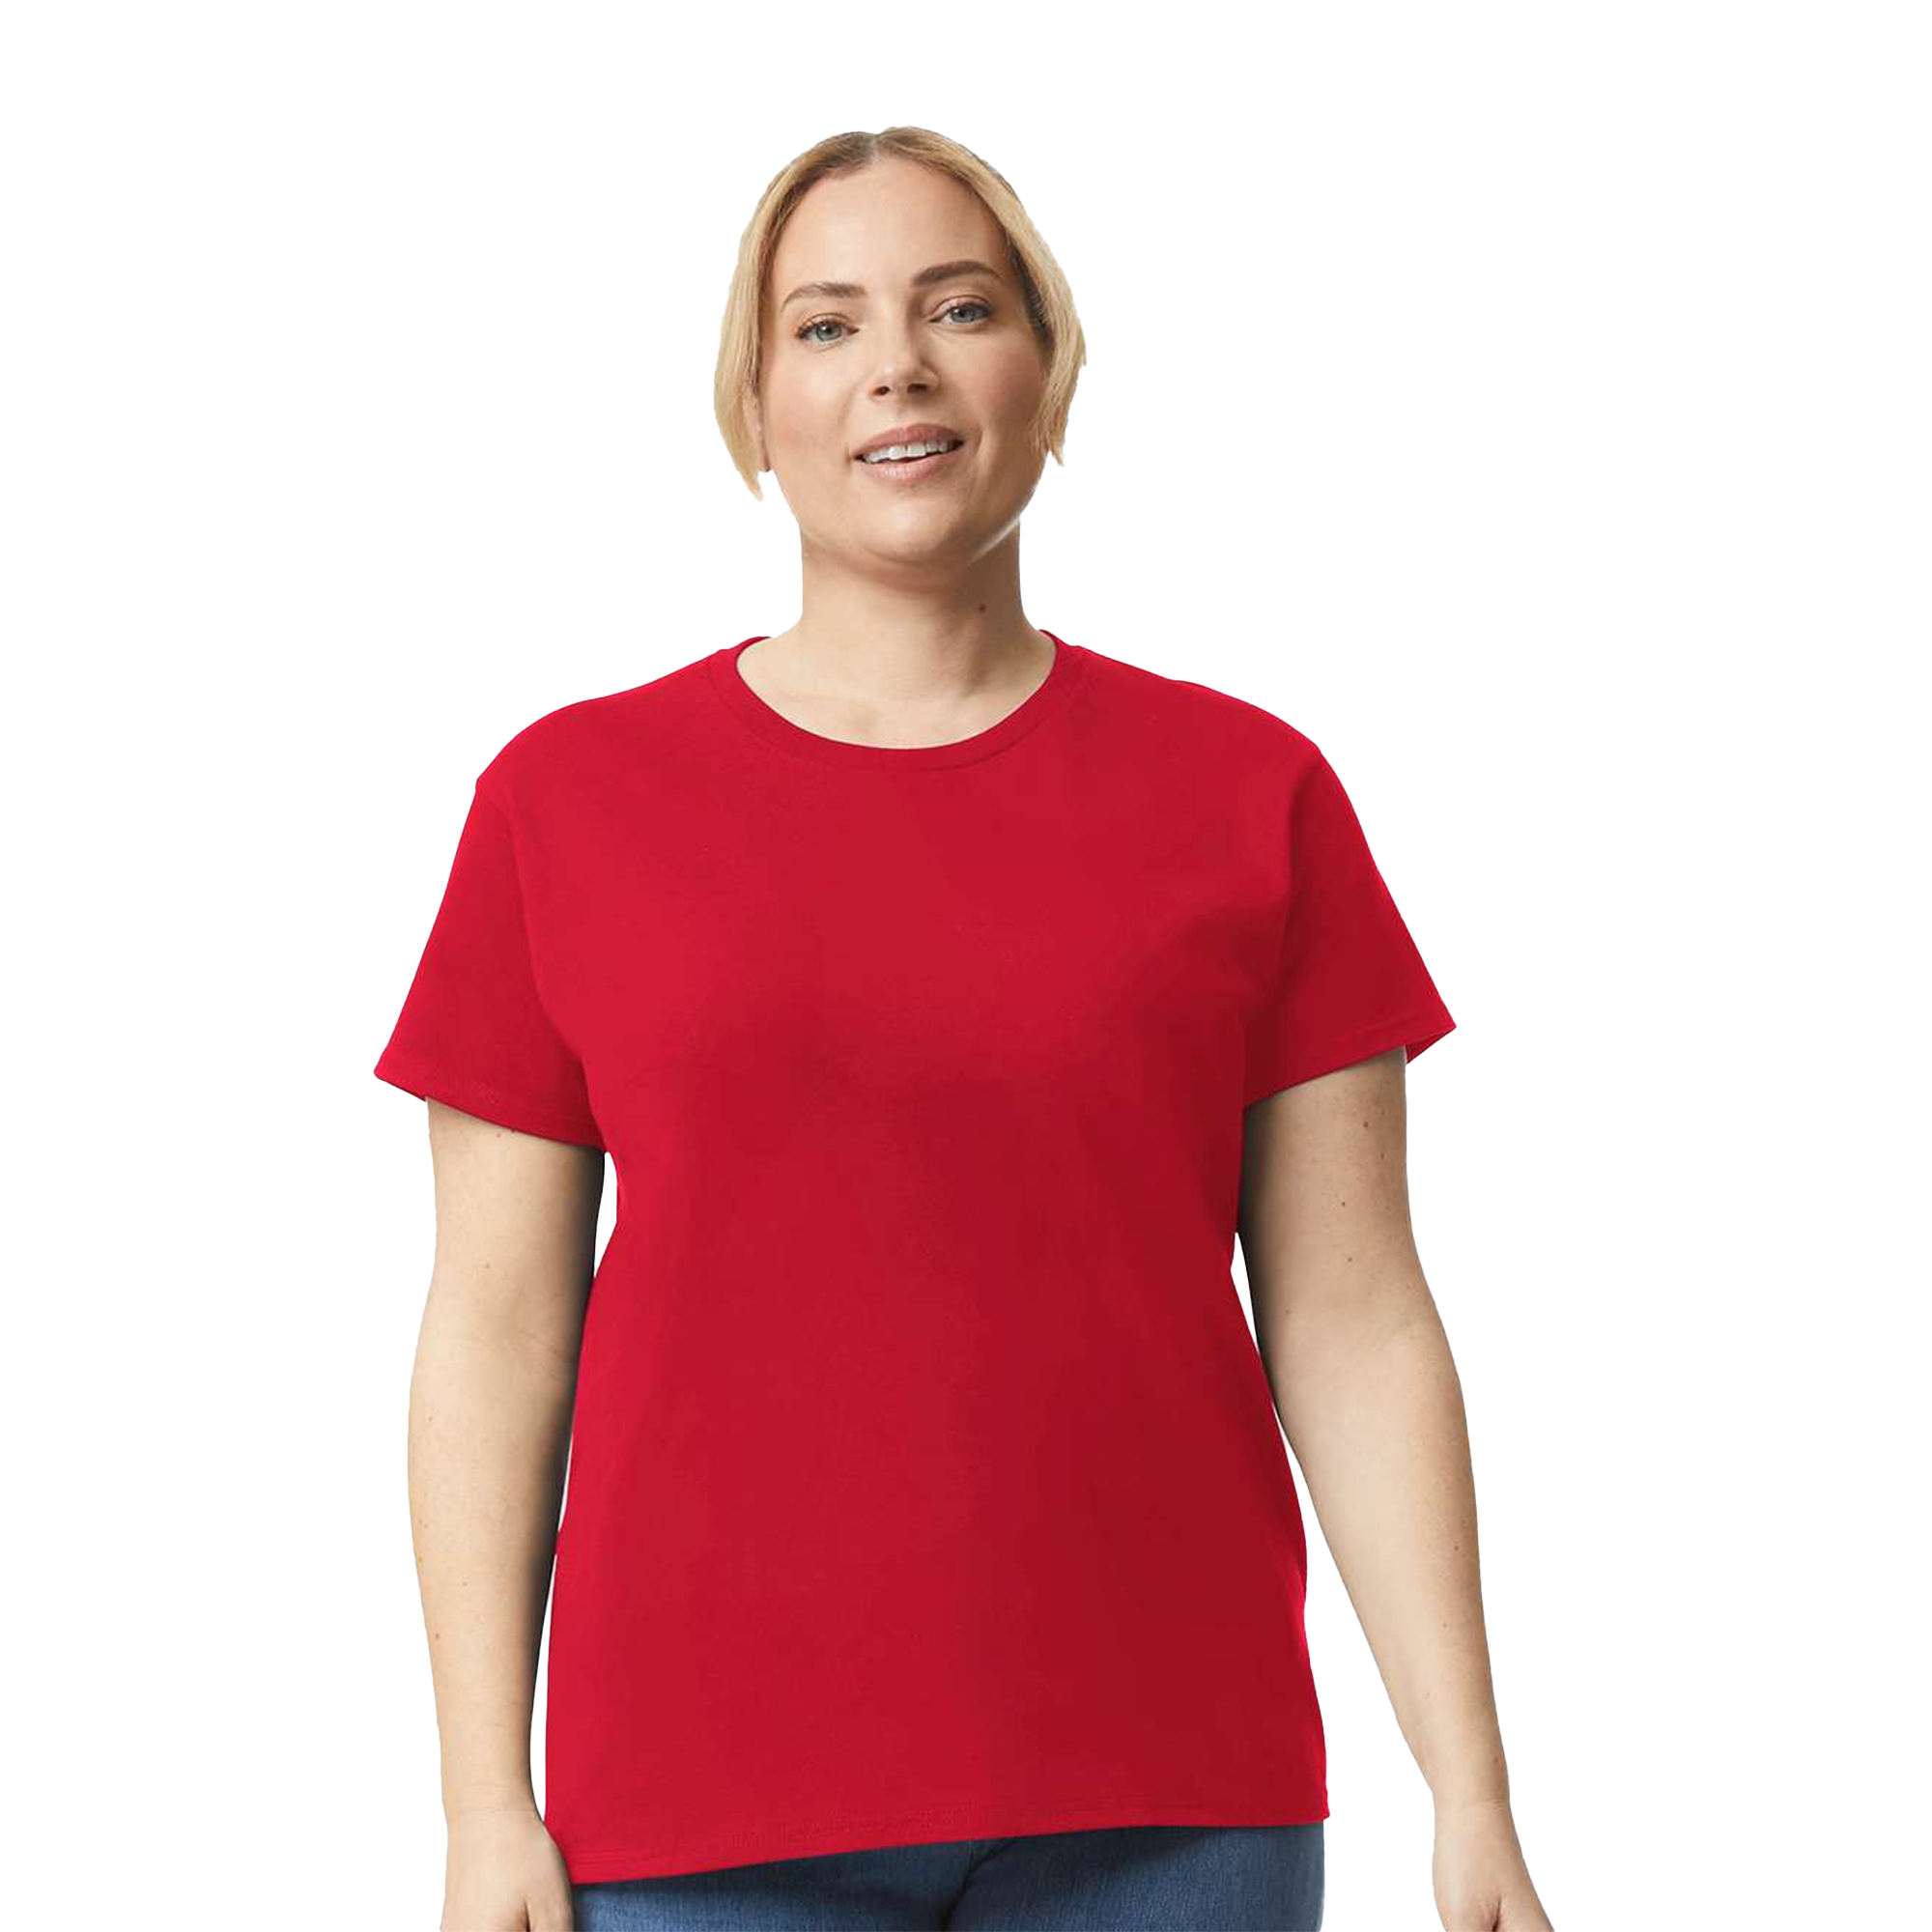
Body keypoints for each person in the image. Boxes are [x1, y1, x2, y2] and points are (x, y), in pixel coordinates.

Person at [374, 126, 1554, 1932]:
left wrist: (1471, 1793)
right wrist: (481, 1806)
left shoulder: (1251, 792)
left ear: (1048, 369)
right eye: (826, 325)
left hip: (1174, 1800)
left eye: (960, 308)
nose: (898, 367)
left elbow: (1356, 1320)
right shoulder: (566, 803)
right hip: (696, 1816)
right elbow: (494, 1334)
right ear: (753, 405)